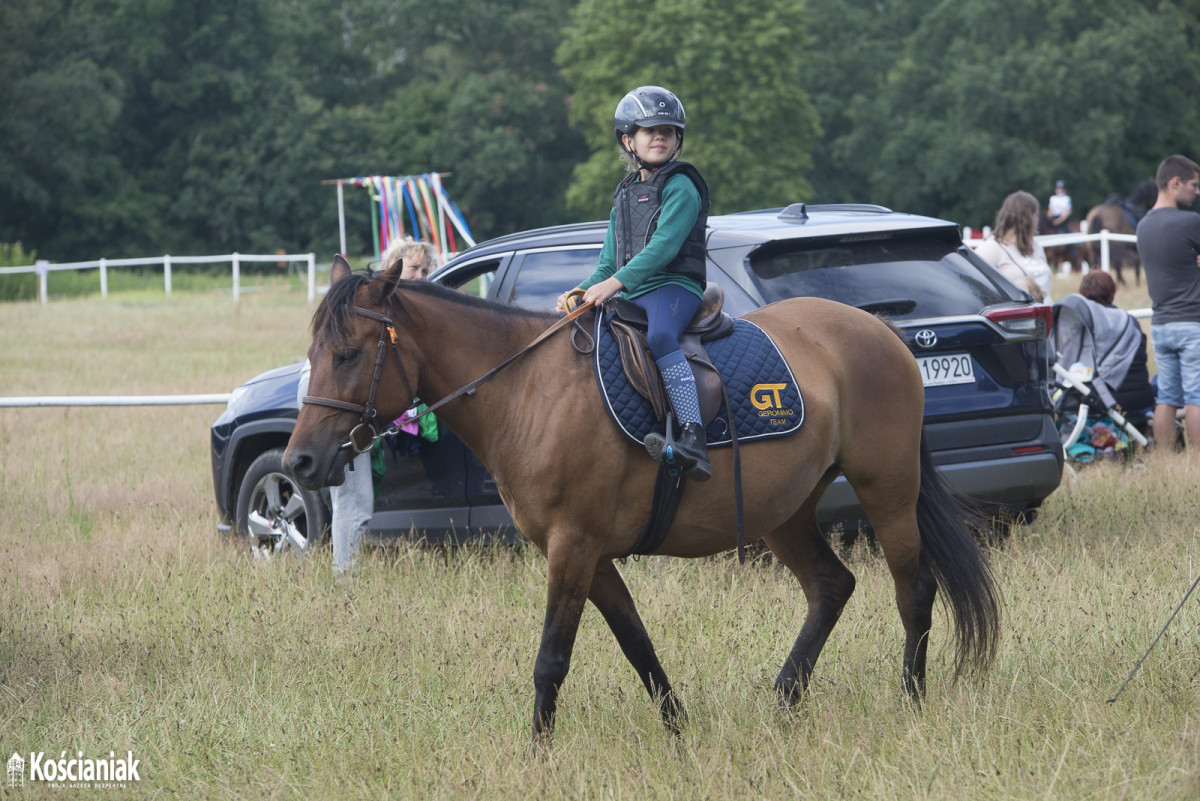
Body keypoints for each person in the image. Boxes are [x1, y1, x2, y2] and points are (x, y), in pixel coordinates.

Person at [554, 85, 712, 480]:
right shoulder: (624, 194)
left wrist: (616, 284)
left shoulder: (681, 185)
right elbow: (609, 262)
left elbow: (663, 248)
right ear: (628, 140)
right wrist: (580, 292)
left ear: (678, 140)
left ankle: (693, 438)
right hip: (635, 289)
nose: (660, 137)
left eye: (668, 131)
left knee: (660, 338)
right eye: (649, 130)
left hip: (675, 287)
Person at [297, 237, 439, 576]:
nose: (420, 276)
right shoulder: (373, 305)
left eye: (425, 270)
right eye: (413, 268)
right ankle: (345, 578)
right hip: (332, 394)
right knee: (353, 500)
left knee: (349, 498)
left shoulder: (383, 308)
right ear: (393, 270)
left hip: (331, 390)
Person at [1136, 154, 1200, 449]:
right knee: (1196, 396)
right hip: (1192, 322)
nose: (1196, 192)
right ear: (1175, 183)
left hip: (1161, 324)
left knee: (1167, 397)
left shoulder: (1143, 226)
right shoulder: (1190, 222)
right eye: (1194, 185)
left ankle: (1164, 461)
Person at [1054, 270, 1154, 416]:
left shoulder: (1083, 327)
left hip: (1103, 400)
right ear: (1112, 292)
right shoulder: (1130, 323)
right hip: (1141, 398)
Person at [974, 190, 1053, 302]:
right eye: (1036, 214)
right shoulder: (990, 248)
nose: (1037, 220)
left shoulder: (1035, 246)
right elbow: (977, 290)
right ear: (1027, 218)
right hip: (1017, 318)